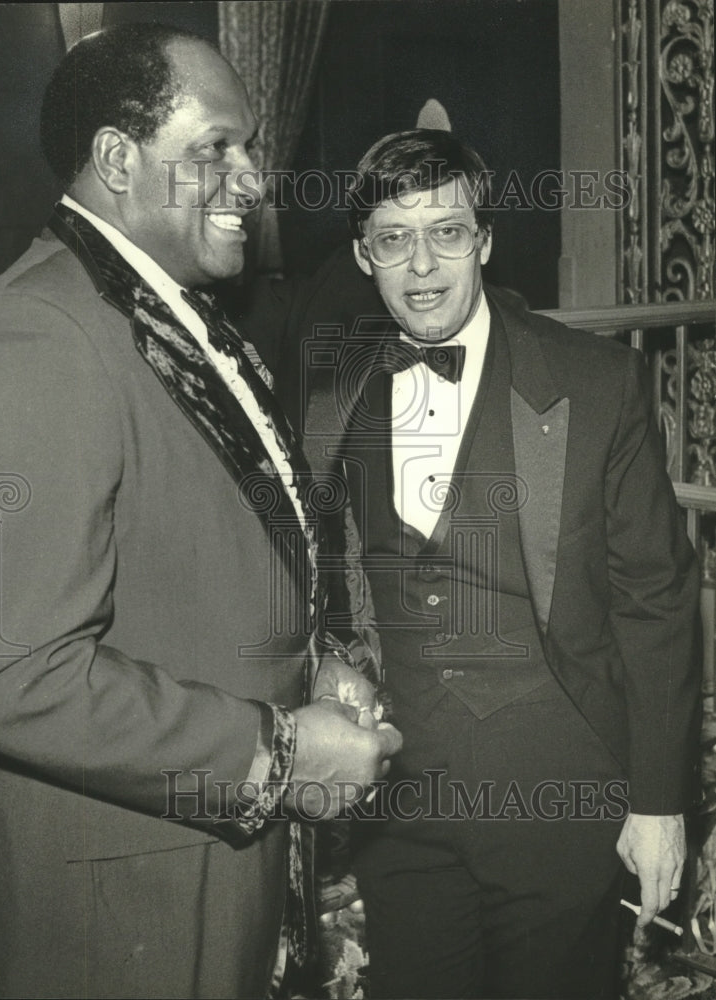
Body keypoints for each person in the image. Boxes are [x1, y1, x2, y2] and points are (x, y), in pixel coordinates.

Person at [0, 25, 401, 1000]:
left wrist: (318, 660)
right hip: (107, 899)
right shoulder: (34, 335)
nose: (253, 177)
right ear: (113, 159)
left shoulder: (161, 310)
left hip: (184, 856)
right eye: (215, 147)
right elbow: (2, 673)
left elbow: (220, 540)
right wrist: (280, 749)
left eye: (249, 146)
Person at [241, 129, 702, 998]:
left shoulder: (595, 383)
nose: (421, 265)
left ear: (484, 241)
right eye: (393, 238)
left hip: (558, 786)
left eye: (446, 233)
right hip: (398, 794)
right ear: (361, 254)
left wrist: (659, 801)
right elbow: (318, 565)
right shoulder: (333, 386)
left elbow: (657, 600)